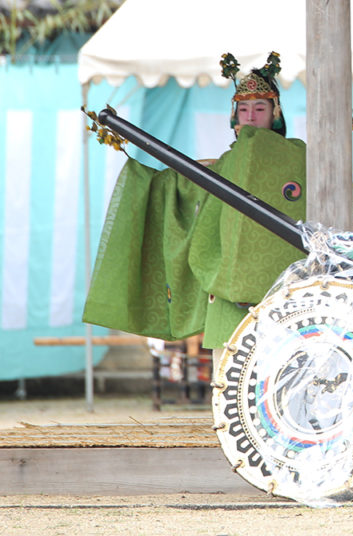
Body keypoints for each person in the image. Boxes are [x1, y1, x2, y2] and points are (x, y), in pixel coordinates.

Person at [83, 52, 307, 372]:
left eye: (260, 108)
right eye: (243, 109)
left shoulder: (299, 159)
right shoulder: (222, 166)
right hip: (228, 298)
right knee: (231, 382)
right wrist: (154, 183)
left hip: (284, 292)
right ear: (233, 116)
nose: (251, 117)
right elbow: (188, 196)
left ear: (276, 113)